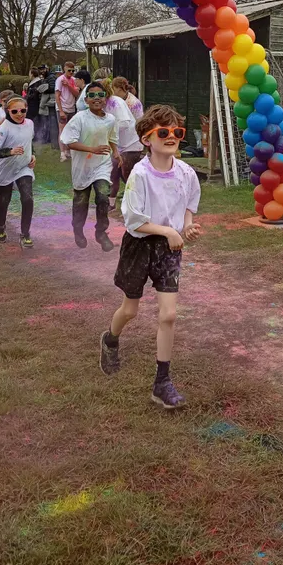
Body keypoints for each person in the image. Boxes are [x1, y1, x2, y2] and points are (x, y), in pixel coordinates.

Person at [100, 104, 201, 410]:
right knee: (129, 310)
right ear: (146, 138)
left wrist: (186, 228)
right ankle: (111, 339)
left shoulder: (187, 173)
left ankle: (162, 383)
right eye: (164, 131)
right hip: (139, 245)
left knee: (168, 314)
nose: (172, 136)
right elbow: (132, 221)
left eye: (177, 132)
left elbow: (188, 206)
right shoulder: (139, 175)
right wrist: (169, 232)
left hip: (169, 249)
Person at [60, 80, 119, 251]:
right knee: (81, 202)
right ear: (86, 100)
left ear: (105, 98)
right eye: (92, 95)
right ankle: (78, 229)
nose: (97, 98)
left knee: (102, 196)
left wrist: (116, 152)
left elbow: (112, 138)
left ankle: (101, 232)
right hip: (82, 167)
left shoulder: (110, 120)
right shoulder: (80, 118)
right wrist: (92, 149)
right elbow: (69, 142)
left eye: (100, 95)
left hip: (102, 164)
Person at [0, 95, 36, 249]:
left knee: (27, 198)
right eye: (15, 111)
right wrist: (10, 151)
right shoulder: (4, 128)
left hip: (23, 168)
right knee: (4, 200)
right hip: (5, 170)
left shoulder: (30, 123)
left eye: (23, 110)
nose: (20, 114)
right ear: (8, 111)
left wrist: (32, 155)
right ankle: (0, 227)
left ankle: (25, 234)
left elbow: (28, 142)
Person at [105, 80, 144, 211]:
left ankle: (136, 205)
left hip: (131, 143)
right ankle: (111, 204)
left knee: (128, 175)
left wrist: (108, 130)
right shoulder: (106, 102)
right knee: (113, 173)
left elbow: (126, 123)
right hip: (119, 144)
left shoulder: (120, 102)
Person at [56, 62, 79, 162]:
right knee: (62, 130)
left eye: (73, 71)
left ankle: (68, 151)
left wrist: (69, 85)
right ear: (64, 69)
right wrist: (60, 110)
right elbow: (57, 96)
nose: (71, 72)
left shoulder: (74, 80)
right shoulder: (60, 79)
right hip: (63, 108)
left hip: (72, 108)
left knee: (70, 130)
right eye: (69, 70)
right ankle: (62, 153)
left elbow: (76, 94)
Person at [25, 68, 43, 141]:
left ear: (32, 74)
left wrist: (27, 98)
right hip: (32, 104)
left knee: (33, 120)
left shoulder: (37, 83)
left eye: (29, 73)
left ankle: (35, 137)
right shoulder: (34, 82)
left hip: (34, 104)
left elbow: (34, 95)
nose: (29, 75)